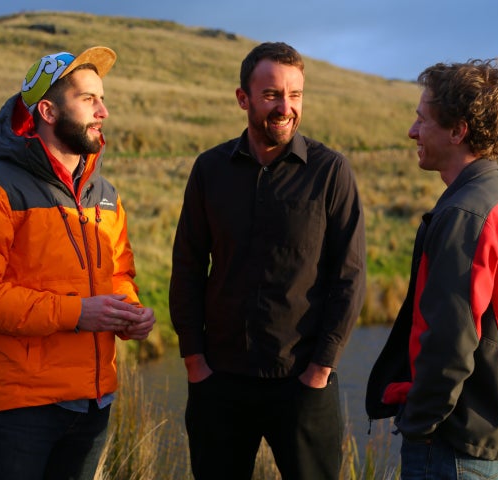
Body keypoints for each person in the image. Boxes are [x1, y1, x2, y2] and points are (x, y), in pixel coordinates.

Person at [0, 46, 156, 480]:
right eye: (89, 99)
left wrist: (127, 311)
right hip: (22, 405)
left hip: (94, 402)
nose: (104, 111)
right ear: (48, 111)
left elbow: (118, 272)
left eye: (102, 98)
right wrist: (77, 313)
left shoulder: (106, 194)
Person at [169, 41, 366, 480]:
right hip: (219, 381)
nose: (285, 107)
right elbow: (186, 266)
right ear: (244, 98)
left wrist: (321, 368)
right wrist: (194, 361)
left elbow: (349, 278)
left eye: (295, 95)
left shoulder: (331, 172)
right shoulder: (209, 170)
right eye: (272, 94)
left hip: (301, 384)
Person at [365, 59, 498, 480]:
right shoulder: (496, 198)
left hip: (454, 447)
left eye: (422, 119)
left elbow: (449, 344)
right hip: (486, 434)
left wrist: (419, 426)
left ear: (458, 131)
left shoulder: (464, 213)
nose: (412, 131)